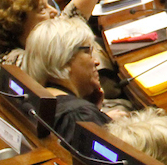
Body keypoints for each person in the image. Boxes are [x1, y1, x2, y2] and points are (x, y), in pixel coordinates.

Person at [22, 17, 109, 148]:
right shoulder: (79, 117)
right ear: (64, 60)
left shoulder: (34, 100)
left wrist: (95, 111)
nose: (96, 62)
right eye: (88, 52)